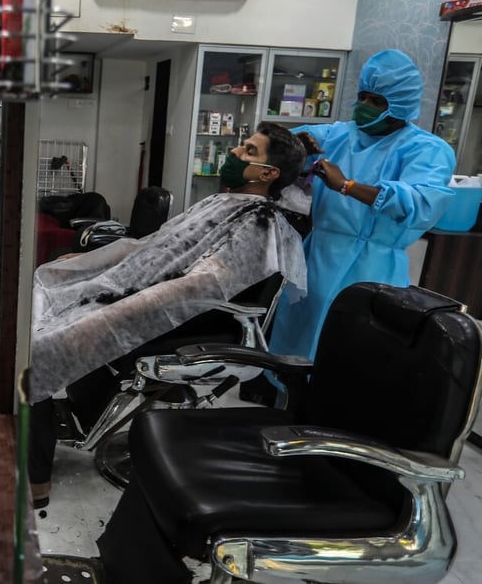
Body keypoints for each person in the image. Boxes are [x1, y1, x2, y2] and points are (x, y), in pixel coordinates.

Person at [28, 122, 309, 506]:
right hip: (151, 297)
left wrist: (122, 308)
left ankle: (35, 479)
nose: (234, 152)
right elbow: (154, 246)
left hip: (180, 317)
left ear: (268, 173)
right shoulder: (220, 202)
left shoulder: (260, 223)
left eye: (248, 151)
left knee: (41, 347)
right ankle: (71, 412)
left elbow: (204, 285)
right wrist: (92, 263)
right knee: (48, 292)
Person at [269, 49, 456, 362]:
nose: (364, 106)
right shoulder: (341, 135)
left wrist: (347, 186)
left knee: (349, 350)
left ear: (400, 106)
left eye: (377, 101)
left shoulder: (426, 150)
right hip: (317, 256)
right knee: (297, 344)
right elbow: (282, 141)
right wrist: (288, 145)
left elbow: (420, 203)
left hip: (371, 266)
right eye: (363, 97)